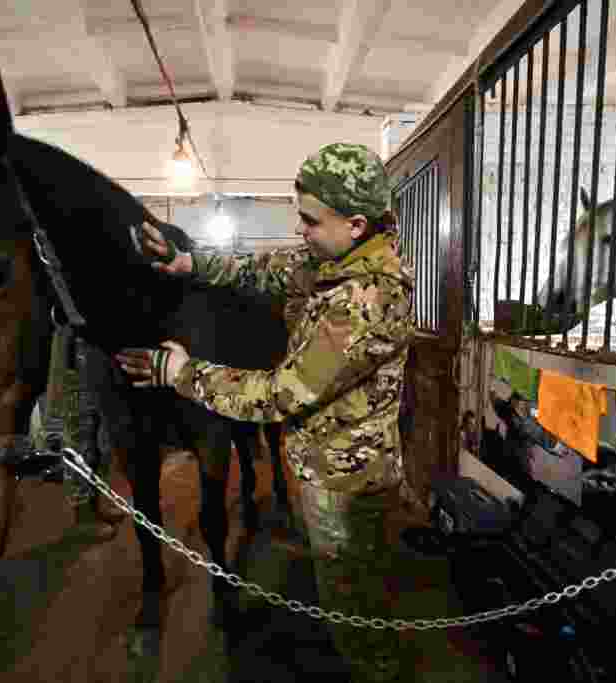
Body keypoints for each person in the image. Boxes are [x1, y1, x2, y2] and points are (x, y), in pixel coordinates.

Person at [116, 142, 423, 682]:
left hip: (346, 485)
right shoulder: (339, 258)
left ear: (354, 224)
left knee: (359, 622)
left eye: (310, 220)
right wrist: (190, 263)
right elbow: (266, 270)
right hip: (325, 469)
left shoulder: (364, 301)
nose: (300, 230)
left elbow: (277, 396)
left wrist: (178, 373)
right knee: (347, 602)